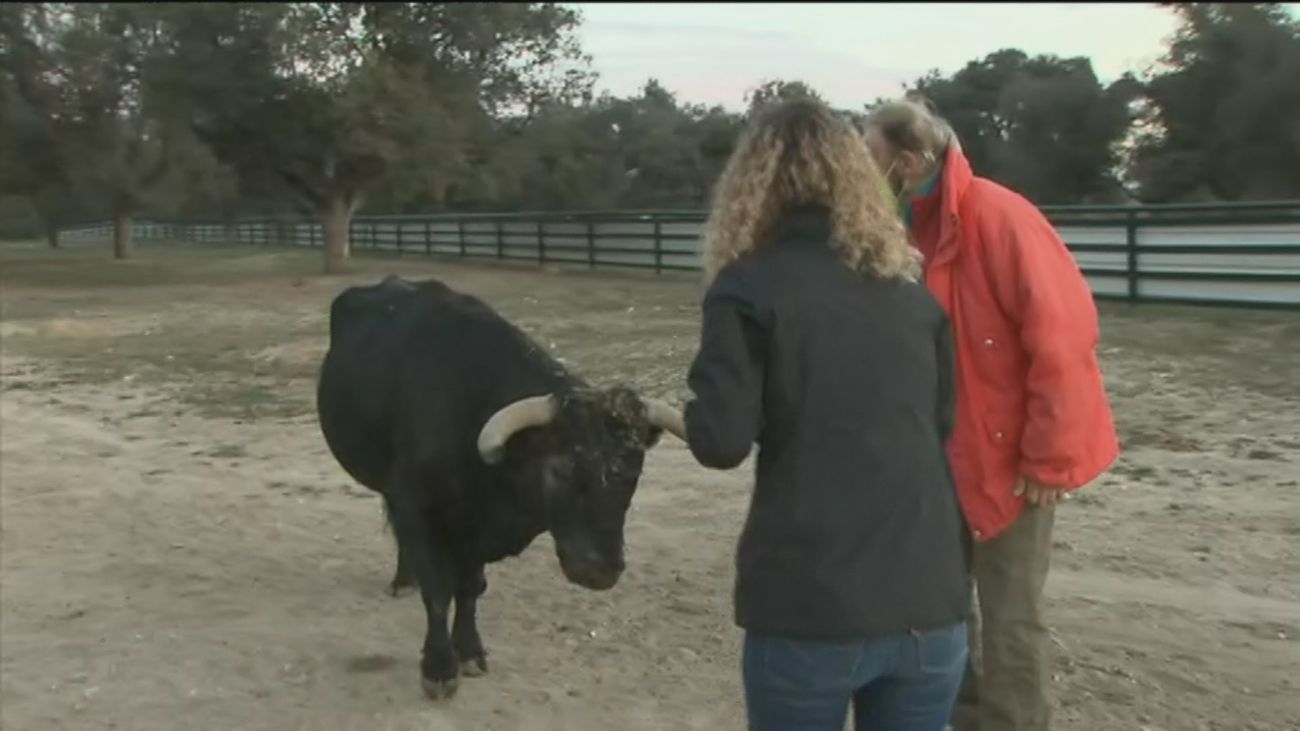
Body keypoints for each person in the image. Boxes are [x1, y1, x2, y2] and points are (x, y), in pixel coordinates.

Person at [680, 98, 971, 731]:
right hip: (932, 602)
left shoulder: (747, 288)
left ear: (749, 187)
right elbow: (939, 425)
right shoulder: (910, 295)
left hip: (811, 606)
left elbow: (720, 440)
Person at [860, 98, 1120, 731]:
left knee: (1011, 619)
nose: (861, 170)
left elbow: (1062, 340)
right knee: (947, 612)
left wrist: (1049, 459)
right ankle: (966, 718)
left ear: (912, 159)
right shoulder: (903, 230)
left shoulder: (1002, 220)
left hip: (1010, 460)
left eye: (872, 157)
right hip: (940, 457)